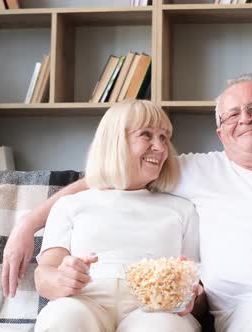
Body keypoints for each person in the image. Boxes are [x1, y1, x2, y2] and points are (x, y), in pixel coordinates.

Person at [3, 75, 252, 332]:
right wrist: (27, 224)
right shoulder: (196, 169)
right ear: (221, 134)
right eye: (232, 114)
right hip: (249, 315)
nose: (246, 118)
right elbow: (108, 175)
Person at [32, 100, 202, 332]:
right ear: (115, 142)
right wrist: (62, 279)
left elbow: (198, 287)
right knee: (62, 319)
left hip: (153, 310)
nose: (161, 148)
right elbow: (44, 275)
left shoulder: (183, 210)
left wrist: (190, 296)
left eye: (164, 137)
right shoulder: (70, 205)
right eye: (146, 135)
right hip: (84, 301)